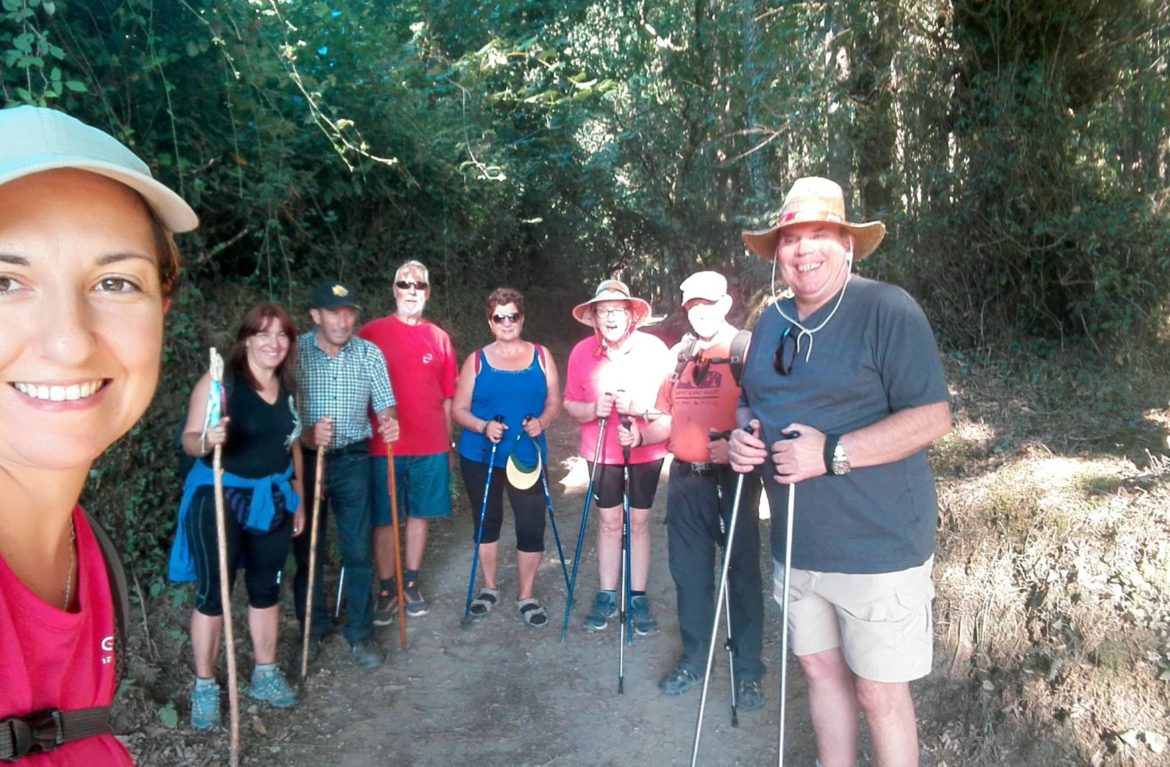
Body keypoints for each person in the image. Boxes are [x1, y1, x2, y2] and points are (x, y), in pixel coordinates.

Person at [728, 176, 952, 767]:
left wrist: (832, 454)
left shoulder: (886, 308)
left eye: (819, 234)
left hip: (878, 546)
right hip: (798, 543)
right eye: (791, 238)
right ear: (777, 253)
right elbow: (753, 401)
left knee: (879, 692)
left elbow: (932, 416)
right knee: (820, 673)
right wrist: (743, 438)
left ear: (847, 243)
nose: (804, 249)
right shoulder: (770, 321)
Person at [0, 105, 196, 764]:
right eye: (5, 281)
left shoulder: (90, 553)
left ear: (162, 308)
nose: (67, 341)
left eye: (115, 282)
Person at [168, 302, 305, 729]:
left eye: (281, 335)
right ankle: (205, 685)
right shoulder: (218, 384)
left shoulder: (288, 389)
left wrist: (298, 490)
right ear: (246, 339)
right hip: (220, 495)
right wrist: (208, 438)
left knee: (266, 588)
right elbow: (189, 440)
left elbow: (292, 441)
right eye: (263, 334)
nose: (273, 343)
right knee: (215, 593)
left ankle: (265, 673)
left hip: (275, 498)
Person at [637, 271, 766, 710]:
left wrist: (739, 442)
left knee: (742, 573)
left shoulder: (746, 349)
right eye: (692, 305)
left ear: (726, 303)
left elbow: (770, 412)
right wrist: (637, 438)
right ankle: (695, 658)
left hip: (735, 478)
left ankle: (748, 670)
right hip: (686, 479)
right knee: (689, 574)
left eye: (707, 303)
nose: (700, 312)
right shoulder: (681, 354)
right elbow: (665, 418)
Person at [292, 282, 398, 669]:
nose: (343, 320)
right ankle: (313, 629)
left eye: (350, 312)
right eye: (334, 312)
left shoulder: (369, 353)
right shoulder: (295, 351)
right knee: (308, 551)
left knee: (357, 549)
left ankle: (360, 632)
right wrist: (305, 434)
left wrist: (389, 424)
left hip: (354, 459)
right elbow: (280, 409)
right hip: (305, 460)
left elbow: (386, 406)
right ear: (316, 315)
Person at [562, 279, 670, 635]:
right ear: (593, 317)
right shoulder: (581, 353)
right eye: (602, 310)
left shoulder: (655, 350)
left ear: (631, 316)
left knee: (638, 523)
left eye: (617, 310)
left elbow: (670, 409)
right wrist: (595, 408)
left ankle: (637, 596)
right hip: (600, 453)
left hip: (645, 449)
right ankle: (607, 594)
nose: (609, 317)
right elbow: (570, 406)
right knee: (608, 522)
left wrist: (638, 408)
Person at [451, 288, 561, 627]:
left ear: (522, 318)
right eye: (499, 317)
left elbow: (554, 400)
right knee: (487, 521)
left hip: (526, 454)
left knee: (531, 524)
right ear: (490, 321)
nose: (506, 322)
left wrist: (541, 422)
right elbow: (458, 409)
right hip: (482, 453)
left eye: (512, 315)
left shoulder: (541, 356)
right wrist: (483, 426)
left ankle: (526, 595)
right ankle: (488, 587)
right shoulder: (477, 360)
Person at [358, 260, 457, 620]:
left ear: (428, 292)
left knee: (419, 515)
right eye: (405, 284)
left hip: (429, 444)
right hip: (381, 445)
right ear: (394, 289)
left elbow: (448, 397)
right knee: (384, 518)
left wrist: (448, 445)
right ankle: (387, 587)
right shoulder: (370, 333)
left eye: (419, 285)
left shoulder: (439, 338)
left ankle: (411, 584)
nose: (412, 291)